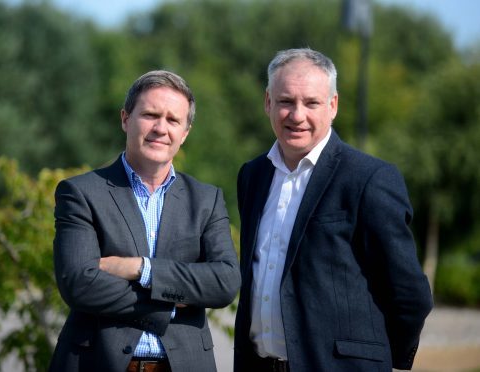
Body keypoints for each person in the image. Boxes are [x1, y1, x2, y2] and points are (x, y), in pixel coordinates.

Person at [233, 48, 433, 371]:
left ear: (333, 105)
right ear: (268, 102)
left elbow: (410, 293)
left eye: (311, 103)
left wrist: (374, 358)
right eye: (286, 101)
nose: (297, 115)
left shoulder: (368, 179)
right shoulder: (252, 176)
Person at [49, 70, 241, 372]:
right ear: (126, 119)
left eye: (173, 120)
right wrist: (172, 302)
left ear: (185, 132)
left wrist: (140, 268)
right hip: (98, 363)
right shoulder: (81, 193)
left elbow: (224, 282)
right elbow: (79, 284)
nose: (160, 128)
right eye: (150, 115)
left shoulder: (206, 199)